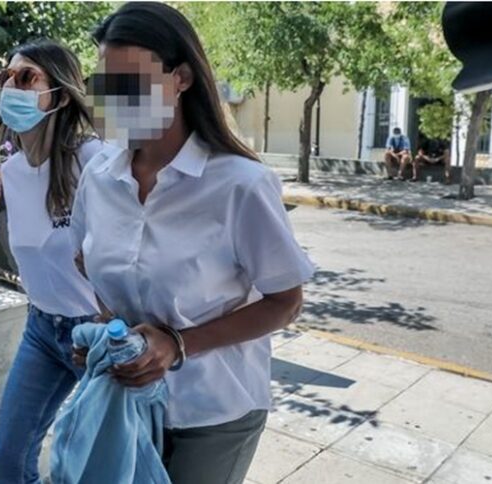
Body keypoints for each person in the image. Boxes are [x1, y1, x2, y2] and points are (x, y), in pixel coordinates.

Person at [70, 3, 315, 483]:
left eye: (131, 83)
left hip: (214, 412)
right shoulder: (99, 175)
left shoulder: (240, 184)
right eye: (105, 83)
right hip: (129, 402)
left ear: (180, 77)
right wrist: (109, 337)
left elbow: (286, 302)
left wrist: (177, 345)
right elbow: (88, 261)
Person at [0, 39, 110, 484]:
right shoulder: (12, 172)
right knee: (5, 467)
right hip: (40, 328)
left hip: (95, 334)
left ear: (60, 93)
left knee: (98, 468)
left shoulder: (94, 161)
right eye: (5, 77)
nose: (10, 87)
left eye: (26, 77)